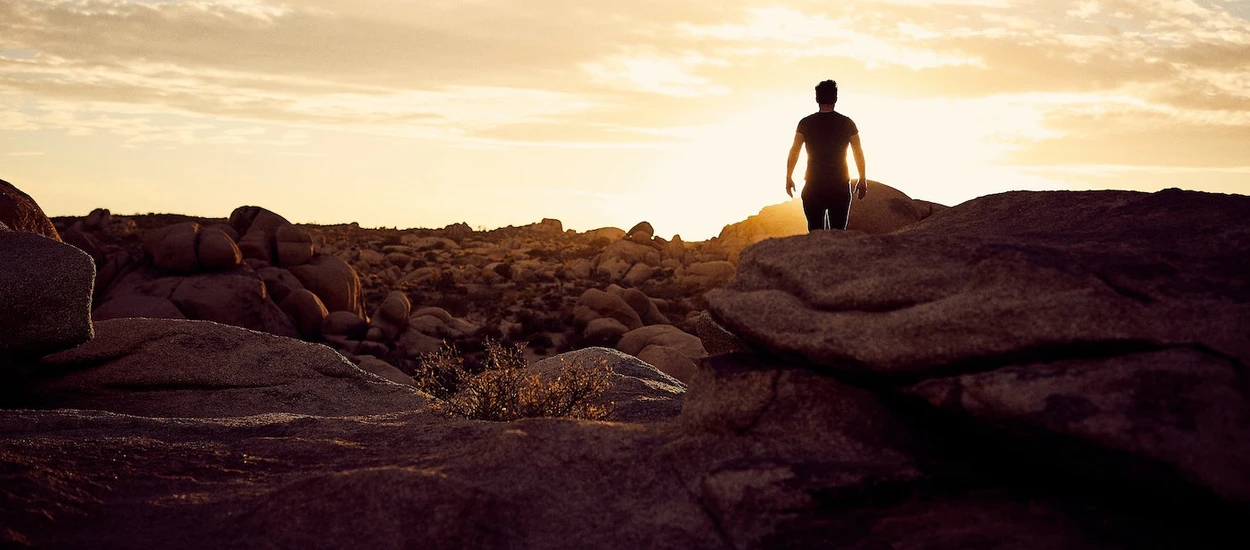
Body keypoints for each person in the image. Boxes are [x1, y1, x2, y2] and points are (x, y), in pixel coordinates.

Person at [785, 80, 867, 231]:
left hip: (813, 184)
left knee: (815, 234)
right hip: (839, 185)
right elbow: (858, 152)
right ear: (835, 99)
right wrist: (862, 178)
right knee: (838, 234)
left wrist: (789, 177)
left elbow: (794, 150)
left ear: (817, 99)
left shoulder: (805, 123)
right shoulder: (847, 123)